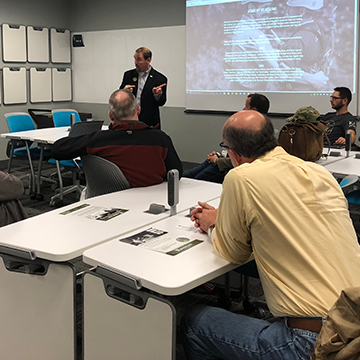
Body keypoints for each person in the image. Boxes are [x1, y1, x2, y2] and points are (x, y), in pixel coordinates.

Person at [181, 110, 360, 359]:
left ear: (233, 154)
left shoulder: (240, 177)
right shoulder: (319, 173)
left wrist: (213, 224)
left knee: (194, 321)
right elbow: (289, 215)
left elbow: (234, 252)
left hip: (315, 344)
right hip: (353, 322)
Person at [51, 89, 182, 188]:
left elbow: (58, 150)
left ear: (111, 116)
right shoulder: (160, 139)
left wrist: (83, 138)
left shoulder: (98, 140)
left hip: (110, 202)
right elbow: (177, 172)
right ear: (138, 110)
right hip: (154, 204)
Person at [183, 93, 270, 183]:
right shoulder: (248, 127)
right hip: (222, 162)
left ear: (254, 110)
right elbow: (234, 150)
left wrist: (217, 160)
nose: (243, 109)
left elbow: (244, 161)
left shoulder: (256, 133)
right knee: (185, 177)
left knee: (192, 182)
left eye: (246, 106)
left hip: (225, 169)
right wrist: (219, 155)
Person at [277, 0, 329, 90]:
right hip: (310, 89)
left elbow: (284, 72)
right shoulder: (317, 26)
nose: (287, 11)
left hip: (297, 91)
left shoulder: (298, 39)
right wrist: (284, 46)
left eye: (290, 7)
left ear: (302, 12)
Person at [119, 47, 167, 128]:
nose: (135, 62)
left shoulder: (159, 78)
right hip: (130, 120)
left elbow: (162, 102)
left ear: (148, 60)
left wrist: (157, 96)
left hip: (149, 123)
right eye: (135, 59)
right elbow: (119, 96)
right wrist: (124, 92)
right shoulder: (128, 75)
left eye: (139, 59)